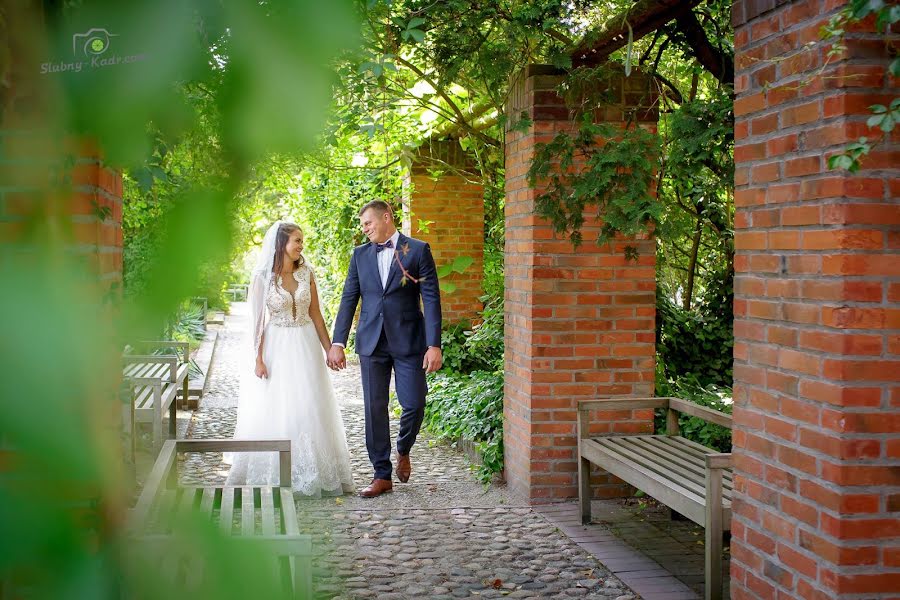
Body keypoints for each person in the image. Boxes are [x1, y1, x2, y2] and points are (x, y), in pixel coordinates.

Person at [226, 221, 354, 496]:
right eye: (297, 240)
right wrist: (258, 358)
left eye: (302, 241)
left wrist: (329, 348)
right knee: (280, 405)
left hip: (306, 342)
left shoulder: (307, 272)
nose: (301, 246)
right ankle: (278, 471)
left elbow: (317, 314)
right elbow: (258, 322)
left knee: (310, 403)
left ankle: (315, 472)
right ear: (281, 243)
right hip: (278, 345)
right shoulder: (263, 277)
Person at [327, 200, 442, 498]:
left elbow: (430, 299)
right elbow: (348, 299)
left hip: (409, 341)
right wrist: (337, 342)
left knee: (415, 402)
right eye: (363, 225)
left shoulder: (417, 250)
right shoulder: (360, 255)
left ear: (387, 217)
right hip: (371, 342)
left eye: (368, 223)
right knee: (374, 408)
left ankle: (403, 448)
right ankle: (381, 474)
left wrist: (434, 345)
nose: (364, 230)